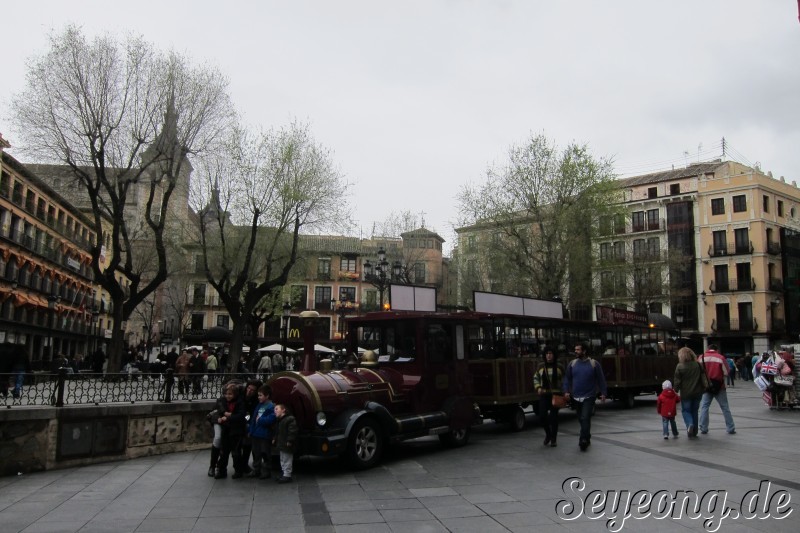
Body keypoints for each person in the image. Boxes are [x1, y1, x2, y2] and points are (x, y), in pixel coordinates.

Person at [563, 343, 607, 451]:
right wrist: (566, 391)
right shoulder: (572, 364)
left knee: (585, 417)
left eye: (578, 349)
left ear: (584, 351)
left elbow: (601, 379)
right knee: (581, 419)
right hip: (576, 397)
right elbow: (567, 379)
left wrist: (603, 393)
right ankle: (587, 436)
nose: (576, 351)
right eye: (575, 349)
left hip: (589, 396)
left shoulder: (594, 364)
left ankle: (583, 440)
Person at [698, 344, 736, 435]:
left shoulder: (701, 357)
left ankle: (703, 427)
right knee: (725, 407)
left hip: (706, 386)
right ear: (716, 350)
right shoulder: (720, 358)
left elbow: (698, 371)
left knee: (704, 407)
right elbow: (727, 372)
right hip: (719, 386)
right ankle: (730, 428)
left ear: (708, 349)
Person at [215, 383, 247, 479]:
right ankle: (221, 470)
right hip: (226, 429)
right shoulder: (222, 401)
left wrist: (229, 417)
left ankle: (238, 470)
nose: (228, 396)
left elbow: (241, 416)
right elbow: (220, 410)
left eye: (230, 394)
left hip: (236, 430)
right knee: (224, 451)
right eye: (227, 394)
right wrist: (223, 416)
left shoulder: (240, 402)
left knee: (236, 452)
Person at [533, 346, 563, 447]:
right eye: (547, 354)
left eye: (550, 353)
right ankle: (548, 434)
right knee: (542, 416)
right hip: (544, 395)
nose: (549, 356)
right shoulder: (541, 366)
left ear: (554, 355)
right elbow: (536, 377)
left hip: (556, 395)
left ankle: (554, 439)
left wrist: (565, 391)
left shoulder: (559, 366)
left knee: (554, 417)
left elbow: (565, 379)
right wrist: (538, 387)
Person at [673, 347, 705, 438]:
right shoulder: (698, 365)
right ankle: (694, 432)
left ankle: (689, 424)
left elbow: (677, 380)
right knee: (695, 411)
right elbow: (703, 376)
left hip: (686, 393)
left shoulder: (680, 366)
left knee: (686, 411)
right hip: (698, 392)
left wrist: (675, 389)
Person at [248, 385, 276, 479]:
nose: (258, 397)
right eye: (258, 395)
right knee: (256, 452)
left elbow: (271, 419)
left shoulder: (271, 406)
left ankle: (266, 470)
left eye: (260, 395)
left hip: (264, 434)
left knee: (265, 453)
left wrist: (260, 420)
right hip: (256, 433)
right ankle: (256, 469)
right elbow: (253, 419)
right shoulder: (259, 405)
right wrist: (251, 430)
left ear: (267, 396)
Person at [273, 403, 298, 483]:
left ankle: (287, 475)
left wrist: (290, 440)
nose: (275, 411)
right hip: (282, 444)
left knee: (287, 459)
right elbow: (278, 432)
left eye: (277, 409)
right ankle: (284, 473)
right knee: (282, 459)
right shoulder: (280, 421)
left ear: (283, 410)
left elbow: (292, 431)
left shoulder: (289, 419)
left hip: (286, 444)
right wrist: (275, 438)